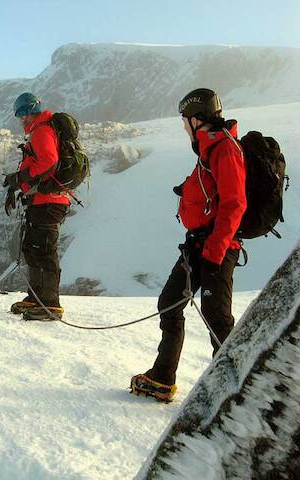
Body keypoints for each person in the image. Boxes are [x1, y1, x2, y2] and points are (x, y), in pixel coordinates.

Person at [131, 88, 247, 402]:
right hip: (199, 246)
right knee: (170, 302)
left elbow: (235, 204)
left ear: (197, 119)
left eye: (185, 120)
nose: (184, 127)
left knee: (217, 318)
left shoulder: (224, 149)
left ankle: (235, 394)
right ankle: (163, 378)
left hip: (216, 249)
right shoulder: (210, 149)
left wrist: (214, 251)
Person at [3, 92, 70, 320]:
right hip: (42, 201)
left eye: (22, 115)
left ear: (30, 112)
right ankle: (36, 297)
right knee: (33, 248)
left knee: (44, 250)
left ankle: (50, 303)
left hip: (50, 201)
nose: (21, 120)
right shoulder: (39, 131)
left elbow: (48, 161)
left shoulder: (42, 130)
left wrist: (21, 177)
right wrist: (17, 184)